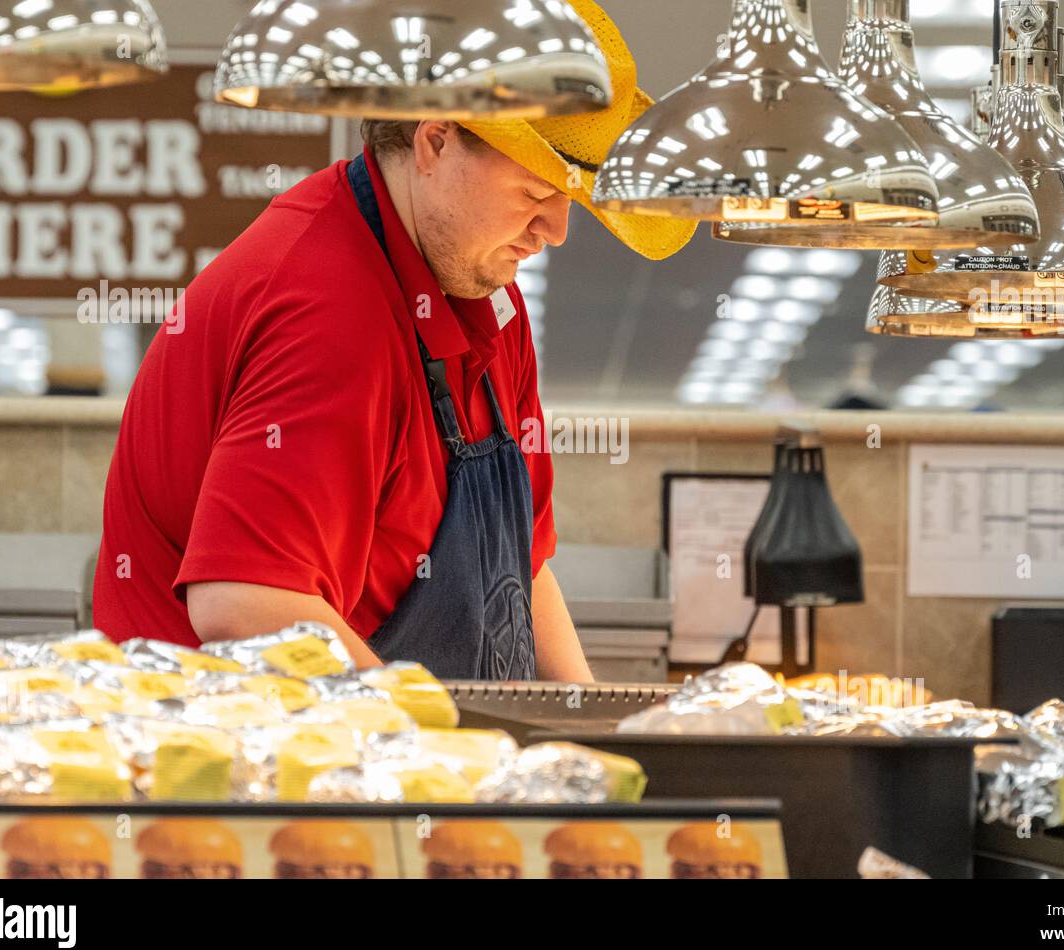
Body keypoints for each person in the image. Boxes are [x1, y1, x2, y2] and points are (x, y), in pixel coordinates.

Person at [92, 1, 696, 681]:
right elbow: (246, 606)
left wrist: (583, 729)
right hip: (235, 757)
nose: (555, 230)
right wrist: (438, 743)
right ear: (434, 142)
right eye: (535, 191)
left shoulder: (489, 300)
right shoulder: (328, 305)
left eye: (571, 202)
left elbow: (522, 569)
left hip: (391, 756)